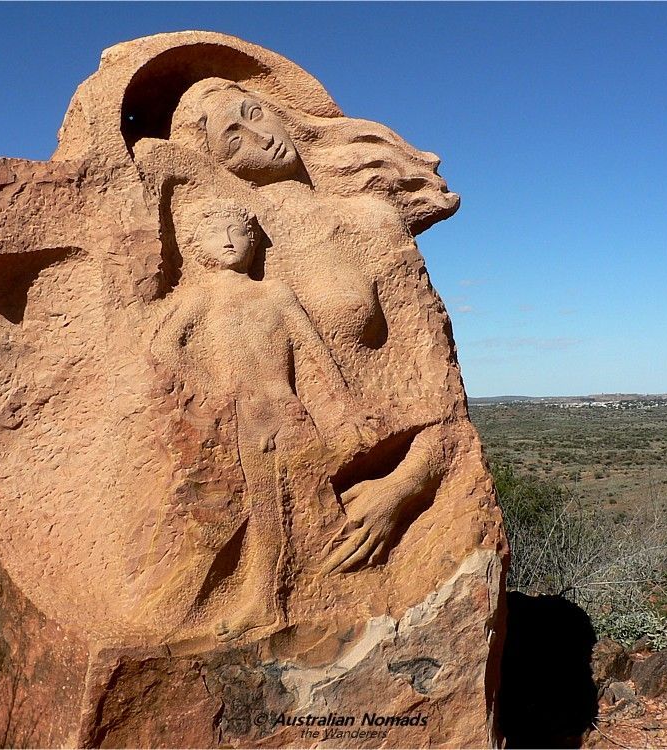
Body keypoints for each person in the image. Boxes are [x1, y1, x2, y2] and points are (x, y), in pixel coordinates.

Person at [167, 80, 466, 576]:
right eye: (233, 139)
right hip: (254, 465)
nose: (260, 138)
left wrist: (401, 490)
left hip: (367, 479)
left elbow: (440, 398)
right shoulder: (227, 236)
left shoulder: (370, 222)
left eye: (254, 113)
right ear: (219, 166)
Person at [149, 199, 377, 640]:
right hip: (241, 418)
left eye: (238, 232)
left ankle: (296, 595)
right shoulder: (200, 296)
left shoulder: (275, 292)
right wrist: (214, 389)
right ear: (199, 246)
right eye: (219, 234)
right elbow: (164, 348)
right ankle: (262, 600)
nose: (230, 240)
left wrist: (347, 406)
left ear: (254, 242)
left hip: (288, 410)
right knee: (261, 508)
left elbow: (315, 351)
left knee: (307, 503)